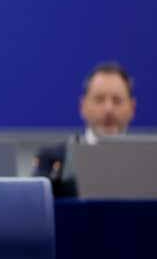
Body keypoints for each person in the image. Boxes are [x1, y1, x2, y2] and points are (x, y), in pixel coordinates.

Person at [32, 62, 136, 196]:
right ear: (83, 106)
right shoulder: (53, 160)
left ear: (132, 108)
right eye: (99, 99)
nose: (108, 109)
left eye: (117, 100)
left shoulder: (149, 163)